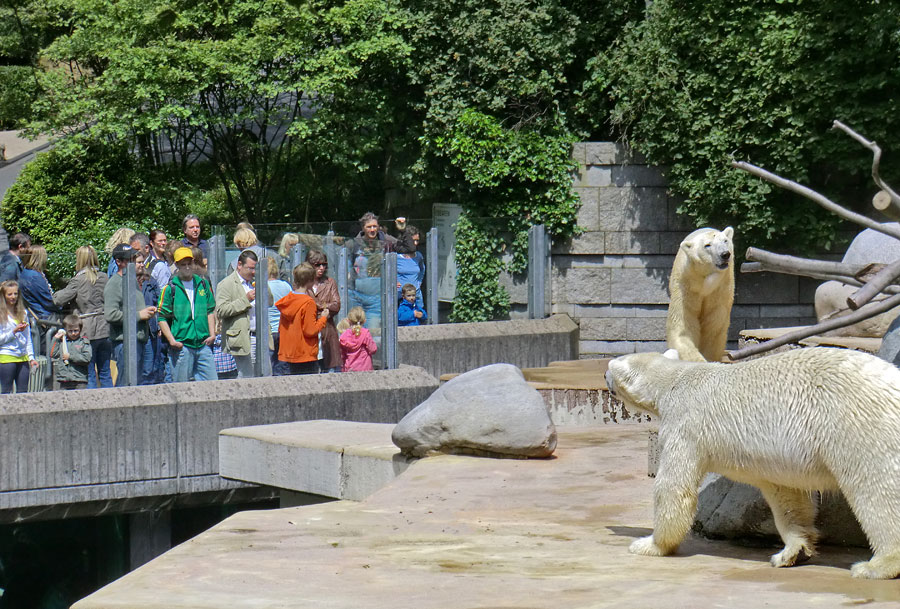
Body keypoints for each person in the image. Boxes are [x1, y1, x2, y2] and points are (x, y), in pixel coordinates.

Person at [53, 245, 113, 388]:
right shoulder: (105, 277)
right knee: (105, 371)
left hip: (87, 330)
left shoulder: (78, 280)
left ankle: (91, 406)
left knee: (89, 372)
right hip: (105, 328)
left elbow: (58, 300)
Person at [158, 247, 217, 382]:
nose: (187, 267)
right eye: (183, 264)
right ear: (177, 265)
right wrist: (172, 340)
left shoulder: (203, 283)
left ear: (194, 263)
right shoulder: (170, 288)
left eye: (189, 263)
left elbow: (210, 310)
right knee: (181, 387)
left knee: (213, 385)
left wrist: (212, 334)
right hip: (182, 347)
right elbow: (161, 317)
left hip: (203, 344)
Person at [104, 243, 156, 385]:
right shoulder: (115, 283)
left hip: (137, 340)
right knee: (125, 385)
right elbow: (111, 314)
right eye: (129, 259)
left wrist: (148, 311)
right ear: (118, 262)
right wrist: (139, 315)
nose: (133, 262)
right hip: (124, 343)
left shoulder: (131, 280)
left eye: (134, 258)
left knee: (136, 384)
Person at [215, 250, 271, 378]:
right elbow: (221, 310)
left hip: (261, 337)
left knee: (266, 376)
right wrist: (246, 300)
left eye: (255, 268)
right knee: (247, 377)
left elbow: (270, 302)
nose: (253, 272)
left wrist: (263, 286)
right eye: (250, 268)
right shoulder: (226, 284)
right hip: (243, 338)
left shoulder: (257, 280)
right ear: (239, 265)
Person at [275, 262, 329, 375]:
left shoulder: (287, 300)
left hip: (287, 354)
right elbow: (310, 330)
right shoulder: (308, 303)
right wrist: (323, 318)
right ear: (311, 280)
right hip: (304, 355)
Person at [306, 250, 341, 373]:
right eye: (317, 265)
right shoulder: (303, 283)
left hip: (327, 330)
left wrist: (317, 306)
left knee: (330, 369)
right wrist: (324, 308)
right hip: (309, 332)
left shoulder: (329, 282)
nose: (321, 268)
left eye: (324, 265)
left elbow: (336, 305)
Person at [0, 280, 38, 392]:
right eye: (10, 294)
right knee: (6, 390)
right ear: (3, 296)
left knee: (23, 391)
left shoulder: (23, 313)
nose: (13, 297)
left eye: (15, 294)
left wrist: (31, 357)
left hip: (23, 356)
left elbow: (27, 337)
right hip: (6, 356)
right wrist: (14, 332)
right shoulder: (1, 315)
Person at [50, 314, 92, 390]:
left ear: (80, 329)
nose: (73, 333)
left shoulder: (83, 343)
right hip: (64, 379)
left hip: (79, 379)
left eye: (76, 330)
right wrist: (55, 339)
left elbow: (87, 358)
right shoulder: (62, 342)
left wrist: (70, 357)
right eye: (70, 331)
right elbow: (53, 354)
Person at [266, 257, 292, 376]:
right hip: (284, 330)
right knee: (283, 365)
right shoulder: (285, 286)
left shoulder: (263, 286)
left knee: (270, 365)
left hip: (269, 330)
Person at [339, 306, 377, 372]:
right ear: (364, 321)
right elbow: (373, 349)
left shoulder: (344, 336)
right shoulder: (365, 333)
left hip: (350, 368)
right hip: (365, 368)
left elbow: (342, 355)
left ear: (348, 320)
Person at [395, 228, 425, 310]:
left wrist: (419, 282)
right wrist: (394, 281)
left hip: (416, 295)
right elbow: (388, 272)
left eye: (417, 240)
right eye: (413, 241)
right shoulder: (396, 257)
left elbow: (422, 269)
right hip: (401, 296)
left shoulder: (418, 256)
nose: (415, 243)